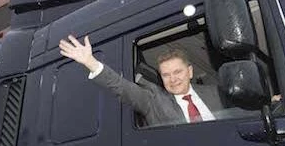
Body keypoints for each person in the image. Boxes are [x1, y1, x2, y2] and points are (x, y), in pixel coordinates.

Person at [59, 35, 227, 127]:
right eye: (166, 75)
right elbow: (121, 87)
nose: (173, 79)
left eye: (177, 72)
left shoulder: (217, 93)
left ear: (190, 71)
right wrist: (91, 63)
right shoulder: (153, 100)